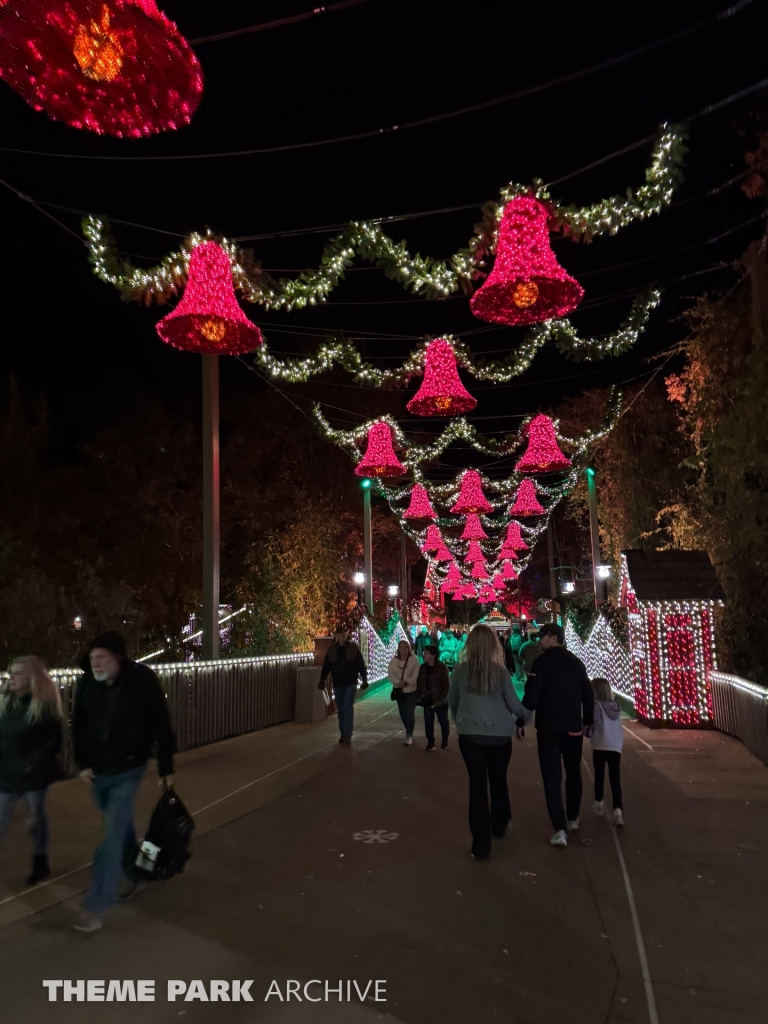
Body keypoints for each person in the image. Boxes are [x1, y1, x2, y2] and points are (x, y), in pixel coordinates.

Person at [71, 631, 176, 932]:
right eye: (92, 658)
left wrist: (166, 766)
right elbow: (78, 723)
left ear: (118, 658)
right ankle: (138, 873)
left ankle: (96, 906)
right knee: (121, 829)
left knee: (111, 838)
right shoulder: (87, 682)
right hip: (98, 773)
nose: (96, 663)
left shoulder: (142, 680)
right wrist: (82, 764)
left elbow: (161, 724)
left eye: (102, 657)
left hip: (129, 769)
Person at [448, 624, 532, 861]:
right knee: (498, 780)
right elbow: (514, 705)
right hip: (500, 735)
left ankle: (481, 844)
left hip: (470, 736)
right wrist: (525, 716)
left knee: (477, 786)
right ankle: (500, 822)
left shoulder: (461, 670)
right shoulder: (500, 671)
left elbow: (453, 701)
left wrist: (461, 721)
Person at [523, 622, 594, 848]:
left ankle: (559, 827)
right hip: (573, 727)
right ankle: (573, 817)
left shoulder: (541, 664)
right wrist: (588, 720)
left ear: (553, 638)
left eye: (542, 637)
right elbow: (588, 693)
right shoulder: (576, 663)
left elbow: (532, 698)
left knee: (552, 778)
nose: (539, 641)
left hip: (549, 728)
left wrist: (521, 716)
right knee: (574, 773)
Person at [0, 656, 63, 886]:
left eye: (18, 673)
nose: (12, 677)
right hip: (6, 774)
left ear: (32, 678)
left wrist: (33, 763)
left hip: (33, 776)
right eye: (11, 673)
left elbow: (54, 741)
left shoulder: (42, 705)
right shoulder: (5, 702)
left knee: (36, 818)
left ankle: (40, 860)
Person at [318, 626, 368, 745]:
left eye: (344, 633)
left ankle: (347, 734)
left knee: (347, 706)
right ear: (335, 635)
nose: (343, 635)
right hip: (338, 683)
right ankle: (343, 733)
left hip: (350, 682)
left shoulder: (352, 648)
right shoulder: (331, 650)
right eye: (340, 633)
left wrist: (364, 679)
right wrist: (322, 679)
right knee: (341, 708)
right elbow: (326, 667)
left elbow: (360, 664)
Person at [589, 677, 624, 825]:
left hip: (600, 744)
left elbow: (596, 725)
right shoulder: (615, 705)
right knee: (615, 777)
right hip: (615, 744)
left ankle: (599, 803)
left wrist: (587, 730)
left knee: (599, 774)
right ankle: (618, 809)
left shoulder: (596, 705)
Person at [416, 644, 450, 751]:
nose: (424, 655)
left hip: (440, 701)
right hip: (427, 700)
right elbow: (419, 683)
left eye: (426, 653)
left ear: (433, 655)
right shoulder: (423, 667)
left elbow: (446, 684)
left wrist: (442, 698)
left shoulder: (441, 667)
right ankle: (431, 743)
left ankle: (445, 740)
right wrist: (420, 695)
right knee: (428, 722)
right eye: (424, 653)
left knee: (443, 721)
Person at [387, 639, 420, 745]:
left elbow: (416, 675)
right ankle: (409, 729)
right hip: (399, 691)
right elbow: (390, 675)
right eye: (401, 647)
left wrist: (407, 682)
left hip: (411, 691)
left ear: (408, 648)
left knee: (409, 713)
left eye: (405, 647)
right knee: (403, 713)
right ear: (398, 649)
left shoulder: (414, 660)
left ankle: (409, 733)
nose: (403, 649)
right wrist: (398, 682)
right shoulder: (393, 662)